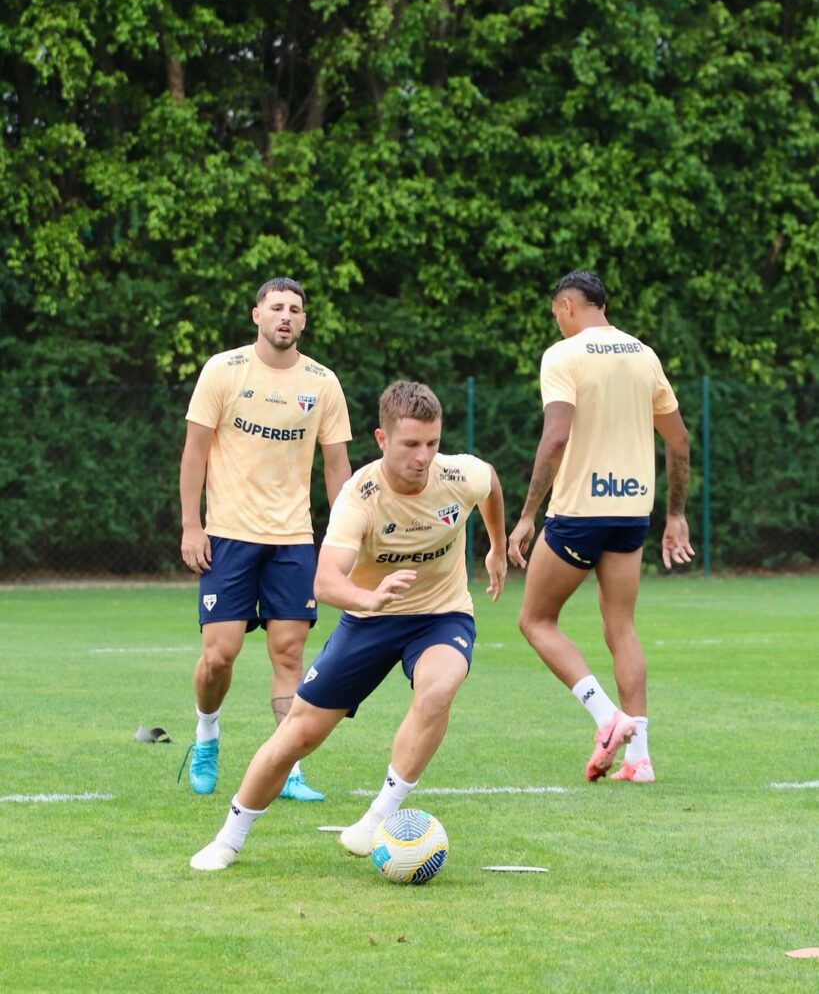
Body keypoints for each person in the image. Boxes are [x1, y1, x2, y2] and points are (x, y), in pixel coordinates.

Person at [189, 380, 507, 870]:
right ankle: (228, 839)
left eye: (432, 443)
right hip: (368, 621)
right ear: (382, 439)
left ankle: (378, 816)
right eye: (410, 445)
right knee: (297, 736)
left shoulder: (458, 474)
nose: (424, 457)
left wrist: (497, 550)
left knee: (437, 690)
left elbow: (492, 485)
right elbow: (325, 582)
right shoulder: (360, 497)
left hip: (441, 616)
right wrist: (370, 597)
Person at [507, 270, 694, 784]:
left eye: (556, 314)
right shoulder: (644, 355)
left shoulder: (563, 355)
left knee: (536, 621)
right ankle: (641, 759)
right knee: (622, 627)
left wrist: (526, 516)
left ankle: (606, 717)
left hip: (579, 513)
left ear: (567, 306)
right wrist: (675, 514)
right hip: (632, 512)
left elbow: (555, 437)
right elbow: (679, 443)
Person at [179, 276, 352, 801]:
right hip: (227, 536)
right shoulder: (223, 370)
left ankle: (286, 768)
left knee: (289, 653)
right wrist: (192, 524)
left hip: (293, 539)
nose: (286, 315)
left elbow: (338, 467)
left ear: (303, 321)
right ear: (256, 315)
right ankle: (207, 734)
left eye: (295, 309)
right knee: (220, 654)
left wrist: (345, 537)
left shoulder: (323, 383)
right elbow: (194, 454)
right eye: (276, 306)